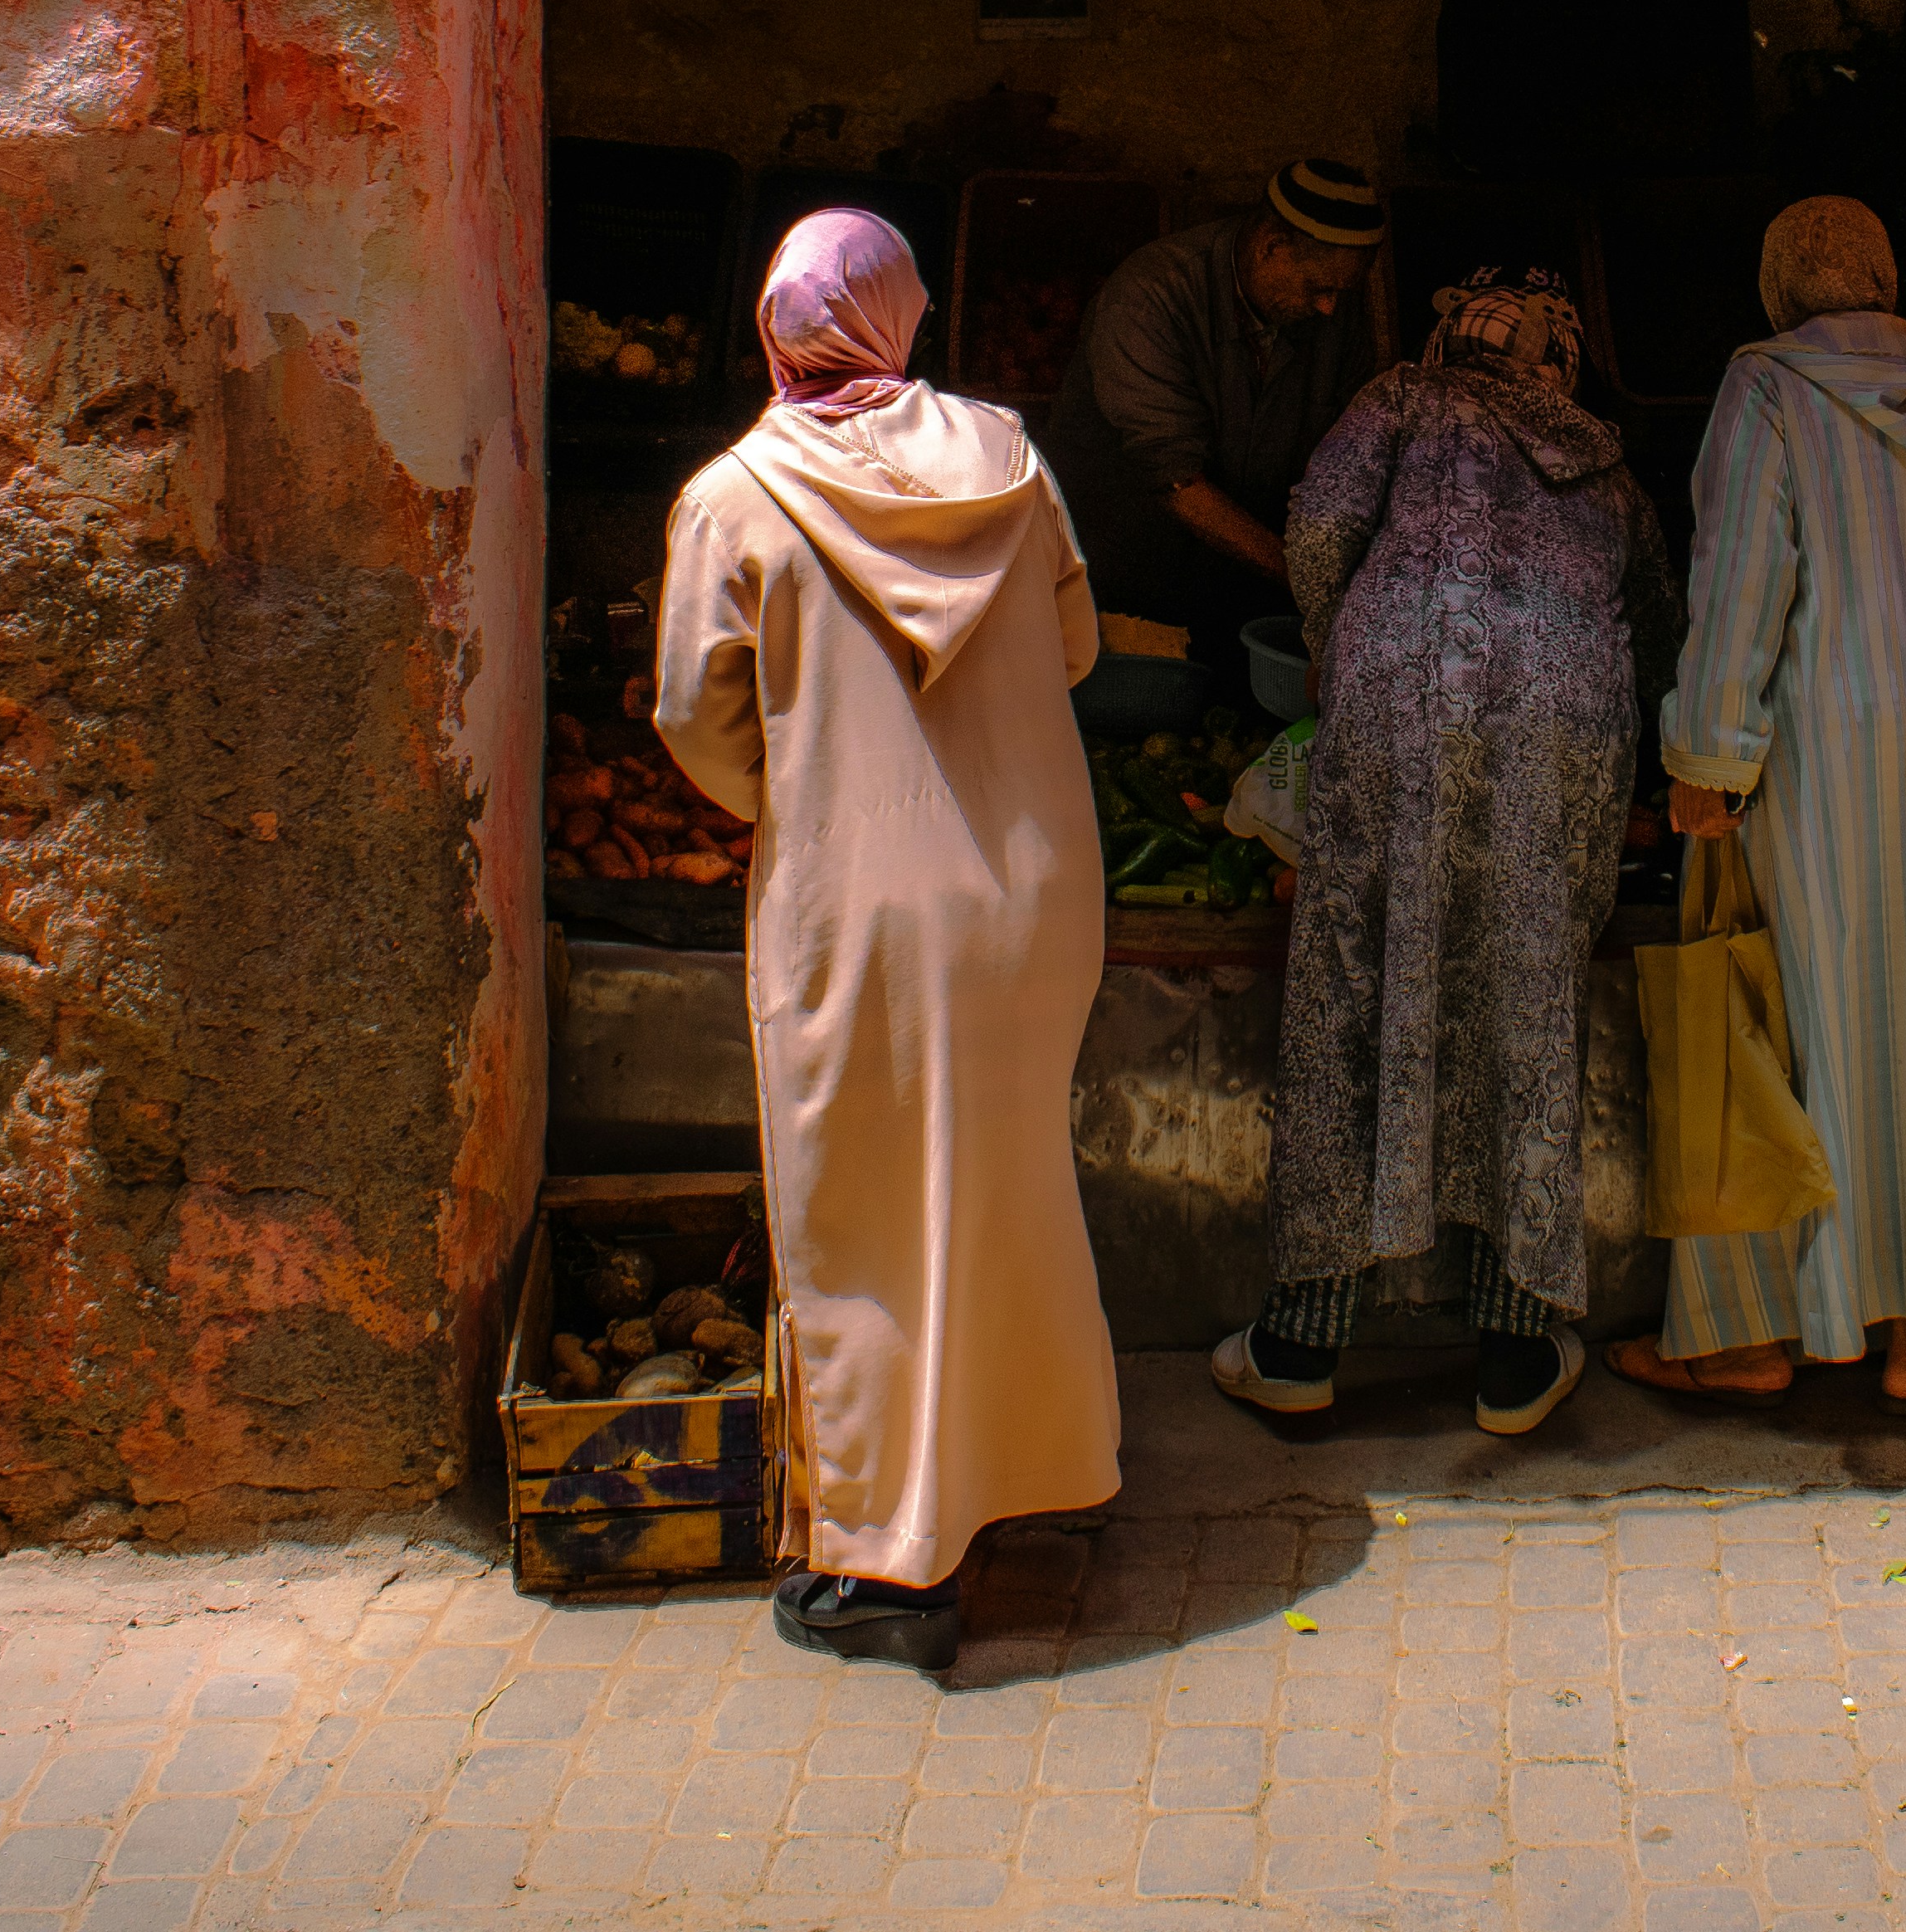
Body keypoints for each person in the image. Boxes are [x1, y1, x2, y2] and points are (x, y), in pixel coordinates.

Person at [656, 209, 1121, 1670]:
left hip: (858, 910)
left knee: (862, 1223)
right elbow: (1079, 650)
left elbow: (693, 721)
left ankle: (890, 1556)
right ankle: (1042, 1480)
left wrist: (802, 795)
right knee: (1010, 1195)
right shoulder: (1011, 458)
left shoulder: (733, 499)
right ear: (902, 313)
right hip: (1033, 901)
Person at [1611, 197, 1906, 1407]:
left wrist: (1707, 759)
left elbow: (1744, 581)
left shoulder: (1767, 392)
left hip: (1835, 732)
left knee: (1817, 1018)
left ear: (1777, 289)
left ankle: (1778, 1331)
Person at [1214, 270, 1678, 1440]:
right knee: (1530, 998)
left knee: (1354, 986)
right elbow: (1662, 621)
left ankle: (1299, 1345)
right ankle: (1516, 1354)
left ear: (1448, 336)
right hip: (1567, 725)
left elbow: (1319, 521)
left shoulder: (1403, 400)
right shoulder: (1607, 466)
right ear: (1556, 363)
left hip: (1401, 701)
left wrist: (1337, 637)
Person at [1033, 154, 1384, 666]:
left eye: (1341, 292)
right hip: (1126, 578)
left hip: (1242, 584)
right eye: (1320, 288)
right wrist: (1300, 574)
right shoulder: (1150, 296)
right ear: (1273, 248)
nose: (1330, 307)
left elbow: (1349, 449)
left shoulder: (1337, 315)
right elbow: (1175, 479)